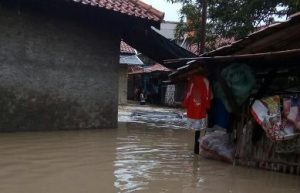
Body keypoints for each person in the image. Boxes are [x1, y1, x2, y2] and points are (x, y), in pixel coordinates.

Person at [183, 74, 212, 154]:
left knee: (194, 130)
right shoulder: (206, 81)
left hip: (192, 110)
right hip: (201, 110)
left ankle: (196, 152)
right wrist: (207, 105)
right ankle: (196, 152)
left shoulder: (192, 81)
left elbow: (188, 95)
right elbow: (208, 95)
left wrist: (186, 104)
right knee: (199, 130)